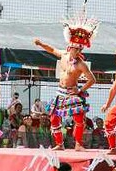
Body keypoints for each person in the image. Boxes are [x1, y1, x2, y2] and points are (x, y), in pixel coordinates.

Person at [33, 9, 97, 150]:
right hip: (60, 93)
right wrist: (41, 44)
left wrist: (80, 90)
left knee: (79, 118)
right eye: (76, 49)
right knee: (54, 118)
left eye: (80, 50)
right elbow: (52, 50)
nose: (78, 52)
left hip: (72, 93)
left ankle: (78, 144)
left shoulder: (81, 64)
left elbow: (92, 80)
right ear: (70, 47)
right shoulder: (63, 55)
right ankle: (60, 144)